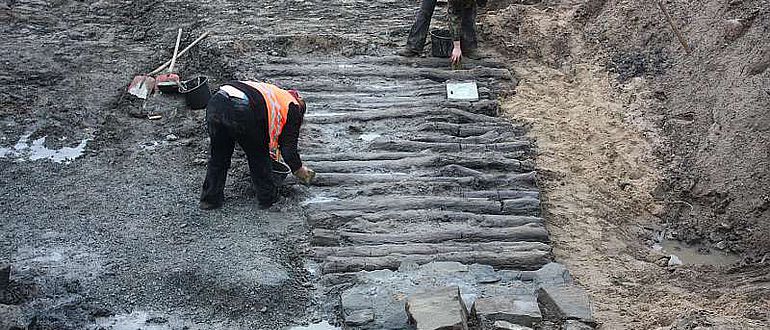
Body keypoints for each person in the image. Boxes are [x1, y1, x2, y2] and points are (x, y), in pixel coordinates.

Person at [199, 81, 315, 210]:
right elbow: (288, 148)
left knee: (218, 156)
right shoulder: (292, 107)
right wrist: (299, 169)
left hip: (216, 102)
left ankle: (210, 200)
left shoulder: (272, 94)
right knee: (258, 155)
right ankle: (268, 199)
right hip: (241, 107)